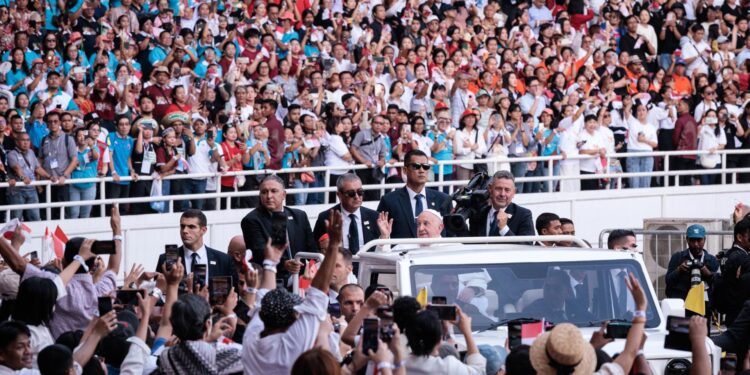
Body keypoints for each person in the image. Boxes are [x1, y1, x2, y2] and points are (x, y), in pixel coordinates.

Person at [241, 209, 342, 374]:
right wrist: (334, 245)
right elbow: (317, 292)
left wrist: (270, 262)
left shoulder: (251, 337)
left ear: (262, 316)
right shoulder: (294, 343)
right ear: (294, 317)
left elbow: (262, 298)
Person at [240, 175, 317, 279]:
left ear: (284, 194)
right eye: (264, 192)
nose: (269, 196)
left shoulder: (299, 216)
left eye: (273, 191)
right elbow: (259, 252)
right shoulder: (251, 220)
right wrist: (284, 264)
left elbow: (312, 250)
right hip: (271, 280)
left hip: (301, 281)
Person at [376, 149, 452, 239]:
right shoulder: (389, 201)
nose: (421, 170)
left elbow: (451, 234)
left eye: (425, 166)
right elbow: (379, 234)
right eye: (416, 166)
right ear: (405, 170)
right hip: (401, 252)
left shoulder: (443, 199)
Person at [155, 209, 238, 288]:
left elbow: (233, 294)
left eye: (191, 227)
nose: (185, 231)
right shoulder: (167, 259)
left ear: (203, 230)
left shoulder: (223, 260)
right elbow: (158, 293)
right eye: (182, 226)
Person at [313, 174, 380, 254]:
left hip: (367, 265)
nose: (357, 196)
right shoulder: (326, 217)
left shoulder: (374, 216)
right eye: (351, 193)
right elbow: (314, 249)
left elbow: (381, 251)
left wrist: (385, 236)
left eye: (360, 192)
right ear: (339, 195)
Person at [469, 171, 534, 238]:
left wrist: (504, 229)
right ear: (490, 189)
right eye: (498, 189)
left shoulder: (523, 215)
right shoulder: (479, 213)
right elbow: (470, 243)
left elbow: (527, 244)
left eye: (507, 190)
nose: (502, 194)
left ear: (514, 192)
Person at [665, 224, 719, 301]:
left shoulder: (712, 260)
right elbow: (668, 281)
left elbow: (719, 285)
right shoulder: (677, 257)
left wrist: (709, 274)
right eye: (692, 240)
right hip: (683, 303)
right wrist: (679, 270)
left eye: (699, 240)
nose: (696, 244)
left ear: (704, 239)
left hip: (705, 305)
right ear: (687, 239)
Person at [350, 116, 387, 201]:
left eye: (381, 124)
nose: (378, 125)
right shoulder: (362, 134)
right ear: (371, 124)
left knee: (374, 195)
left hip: (374, 169)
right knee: (362, 194)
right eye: (376, 123)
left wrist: (382, 161)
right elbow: (353, 149)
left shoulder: (381, 139)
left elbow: (383, 155)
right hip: (362, 168)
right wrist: (363, 161)